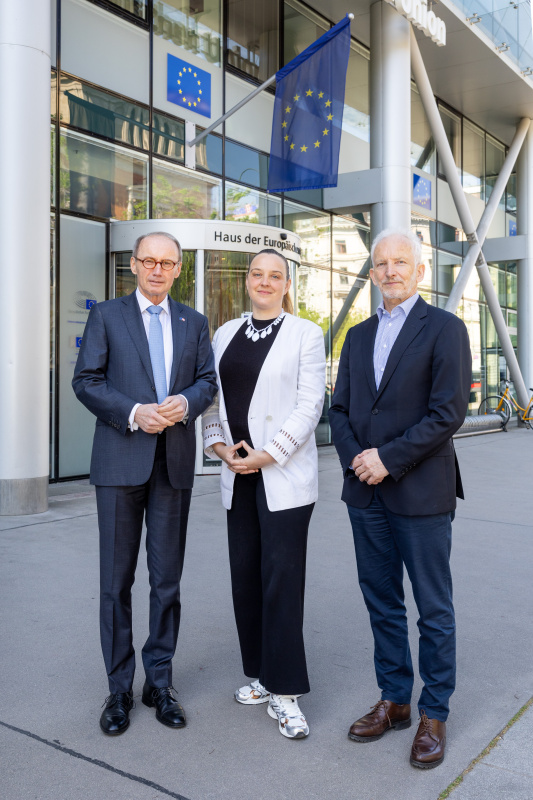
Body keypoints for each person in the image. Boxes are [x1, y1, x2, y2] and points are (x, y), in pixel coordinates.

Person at [329, 228, 471, 768]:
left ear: (419, 271)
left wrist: (386, 457)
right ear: (372, 273)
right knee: (381, 602)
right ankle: (395, 701)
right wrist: (357, 460)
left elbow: (447, 413)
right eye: (381, 263)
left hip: (421, 492)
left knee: (433, 609)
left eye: (400, 262)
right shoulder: (357, 336)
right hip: (365, 495)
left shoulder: (446, 329)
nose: (390, 271)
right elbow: (339, 410)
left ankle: (434, 712)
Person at [73, 231, 217, 736]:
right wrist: (134, 412)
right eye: (149, 261)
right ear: (134, 265)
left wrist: (188, 403)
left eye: (168, 262)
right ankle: (118, 689)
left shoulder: (193, 322)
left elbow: (207, 381)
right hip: (119, 462)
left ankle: (160, 681)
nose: (158, 269)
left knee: (166, 581)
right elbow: (86, 381)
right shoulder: (107, 316)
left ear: (179, 270)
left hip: (172, 465)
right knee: (115, 583)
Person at [202, 248, 326, 739]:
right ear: (247, 280)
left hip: (283, 478)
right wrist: (217, 444)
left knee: (281, 584)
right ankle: (258, 675)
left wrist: (267, 454)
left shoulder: (306, 334)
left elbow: (309, 404)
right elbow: (211, 397)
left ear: (287, 284)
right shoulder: (225, 333)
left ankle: (287, 692)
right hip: (237, 475)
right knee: (246, 580)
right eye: (258, 274)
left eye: (276, 276)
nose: (266, 282)